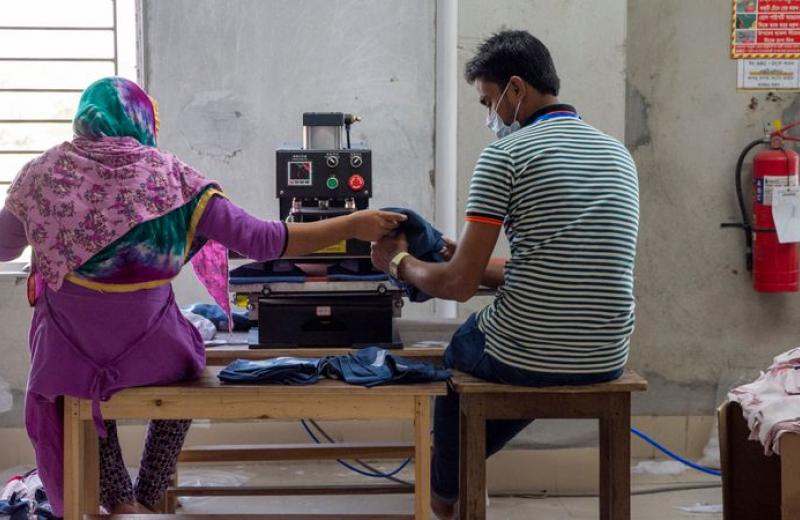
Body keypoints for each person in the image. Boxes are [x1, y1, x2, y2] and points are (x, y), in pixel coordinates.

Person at [0, 77, 405, 516]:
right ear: (141, 121)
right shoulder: (169, 176)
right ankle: (150, 493)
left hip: (68, 357)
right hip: (151, 354)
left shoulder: (43, 176)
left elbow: (3, 248)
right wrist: (352, 224)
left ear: (85, 118)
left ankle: (119, 500)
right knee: (191, 358)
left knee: (84, 384)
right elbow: (262, 240)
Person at [370, 30, 639, 518]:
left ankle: (445, 494)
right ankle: (461, 471)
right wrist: (457, 250)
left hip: (531, 351)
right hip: (606, 352)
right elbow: (549, 265)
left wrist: (399, 264)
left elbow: (458, 286)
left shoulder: (506, 156)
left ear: (516, 90)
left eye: (488, 102)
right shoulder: (617, 154)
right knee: (536, 339)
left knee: (454, 356)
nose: (489, 117)